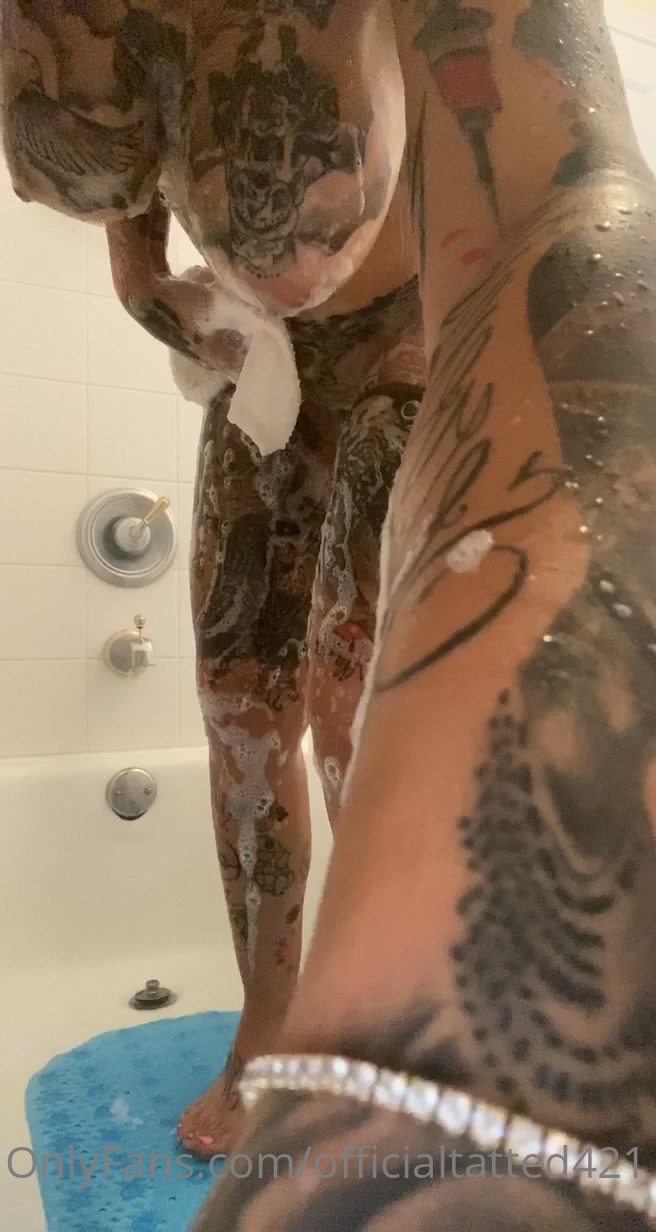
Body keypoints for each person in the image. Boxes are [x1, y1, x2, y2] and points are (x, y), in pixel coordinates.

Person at [4, 3, 656, 1230]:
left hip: (413, 345)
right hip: (264, 372)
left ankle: (360, 1000)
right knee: (239, 713)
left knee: (348, 687)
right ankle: (264, 1021)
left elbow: (554, 211)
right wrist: (186, 316)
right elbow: (137, 251)